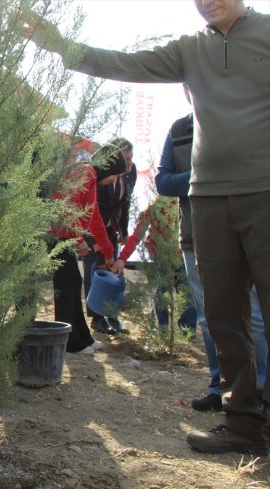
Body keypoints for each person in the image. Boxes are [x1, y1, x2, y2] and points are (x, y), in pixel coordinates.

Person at [23, 0, 270, 455]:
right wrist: (61, 46)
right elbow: (125, 63)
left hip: (263, 192)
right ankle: (243, 423)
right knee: (222, 315)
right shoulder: (189, 49)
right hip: (207, 198)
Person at [154, 101, 267, 413]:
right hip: (197, 238)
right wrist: (203, 173)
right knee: (211, 318)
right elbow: (163, 181)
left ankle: (258, 394)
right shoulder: (180, 129)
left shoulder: (249, 114)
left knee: (255, 317)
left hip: (252, 236)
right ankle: (222, 388)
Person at [51, 142, 122, 355]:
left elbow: (95, 218)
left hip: (63, 235)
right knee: (67, 286)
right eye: (117, 175)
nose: (114, 181)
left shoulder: (89, 174)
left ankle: (82, 338)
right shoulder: (85, 171)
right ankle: (69, 342)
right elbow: (65, 204)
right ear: (109, 167)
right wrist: (77, 238)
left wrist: (108, 252)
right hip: (56, 236)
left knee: (73, 283)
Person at [110, 196, 197, 334]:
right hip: (161, 254)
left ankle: (186, 331)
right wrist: (122, 258)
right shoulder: (156, 206)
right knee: (164, 291)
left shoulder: (187, 203)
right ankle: (163, 330)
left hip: (182, 255)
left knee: (187, 293)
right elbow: (137, 234)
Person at [83, 137, 136, 336]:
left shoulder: (130, 173)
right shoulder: (93, 176)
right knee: (95, 271)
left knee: (112, 268)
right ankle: (97, 317)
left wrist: (123, 230)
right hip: (92, 229)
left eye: (131, 159)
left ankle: (112, 315)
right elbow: (89, 211)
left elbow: (125, 203)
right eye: (125, 159)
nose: (129, 164)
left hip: (110, 228)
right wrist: (94, 242)